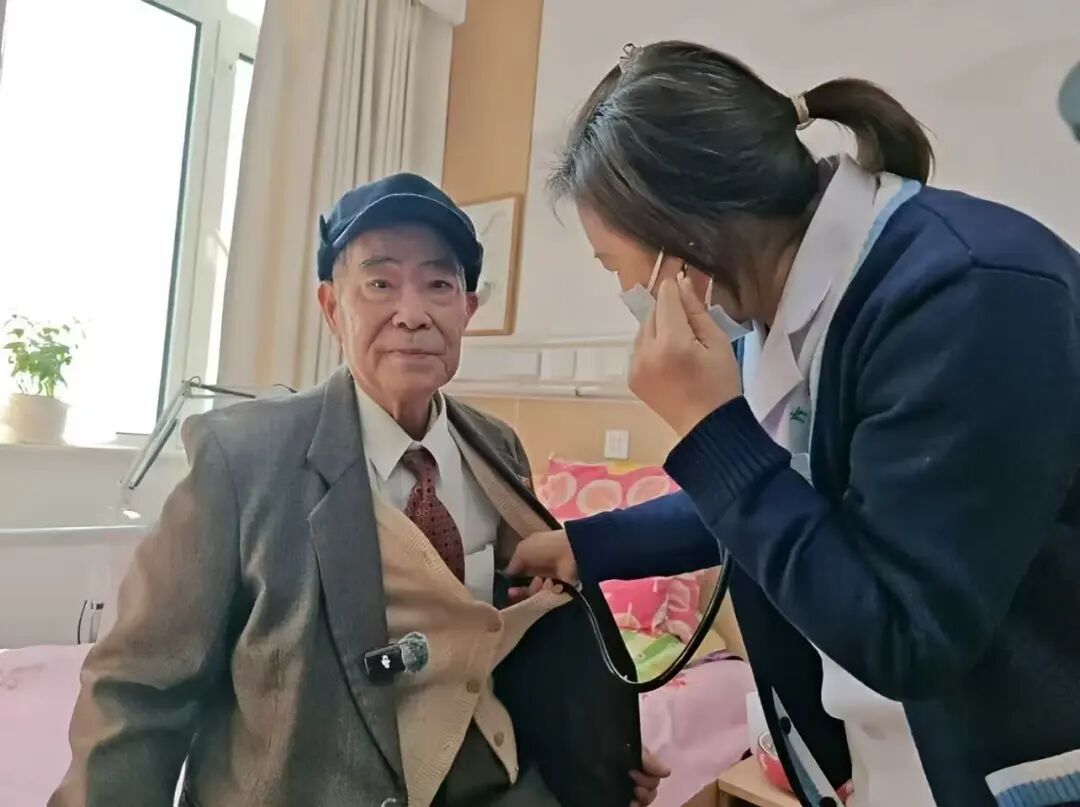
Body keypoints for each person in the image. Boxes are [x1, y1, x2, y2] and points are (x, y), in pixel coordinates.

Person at [508, 41, 1080, 807]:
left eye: (616, 266)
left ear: (683, 241)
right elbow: (776, 499)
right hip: (883, 760)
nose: (627, 294)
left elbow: (904, 634)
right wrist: (588, 546)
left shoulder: (965, 294)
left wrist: (708, 427)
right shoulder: (766, 318)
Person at [51, 174, 668, 807]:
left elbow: (509, 639)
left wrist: (590, 743)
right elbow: (140, 689)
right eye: (380, 284)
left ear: (467, 310)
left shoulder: (498, 449)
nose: (413, 313)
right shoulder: (242, 457)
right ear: (331, 307)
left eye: (439, 285)